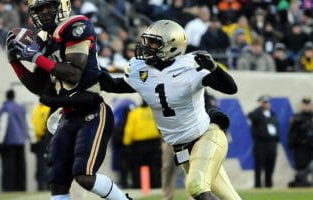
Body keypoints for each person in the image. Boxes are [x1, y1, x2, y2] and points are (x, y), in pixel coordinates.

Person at [98, 19, 242, 200]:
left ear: (172, 46)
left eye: (154, 42)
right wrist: (93, 69)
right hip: (181, 147)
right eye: (146, 41)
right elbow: (114, 85)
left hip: (206, 137)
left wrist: (214, 69)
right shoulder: (140, 70)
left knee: (196, 186)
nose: (147, 46)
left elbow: (231, 88)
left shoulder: (190, 66)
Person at [5, 0, 132, 199]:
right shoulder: (45, 38)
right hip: (66, 115)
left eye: (50, 6)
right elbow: (38, 87)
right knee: (57, 181)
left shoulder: (76, 26)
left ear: (62, 4)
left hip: (92, 111)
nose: (45, 12)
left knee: (84, 176)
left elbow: (73, 74)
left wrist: (36, 57)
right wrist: (15, 62)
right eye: (40, 9)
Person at [0, 89, 28, 191]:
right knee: (20, 166)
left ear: (6, 96)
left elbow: (2, 125)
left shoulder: (5, 108)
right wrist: (31, 139)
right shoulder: (21, 108)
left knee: (8, 167)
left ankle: (8, 188)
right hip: (21, 142)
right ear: (14, 96)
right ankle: (21, 187)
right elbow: (28, 124)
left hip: (8, 142)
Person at [123, 100, 161, 188]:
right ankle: (155, 185)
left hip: (139, 144)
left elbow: (129, 130)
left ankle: (138, 185)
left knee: (137, 167)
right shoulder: (153, 112)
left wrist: (126, 143)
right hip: (154, 142)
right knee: (154, 166)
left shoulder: (134, 113)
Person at [248, 95, 280, 188]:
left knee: (270, 166)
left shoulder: (273, 114)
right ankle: (258, 186)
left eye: (267, 102)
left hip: (272, 144)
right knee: (259, 166)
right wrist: (259, 108)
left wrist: (276, 138)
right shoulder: (257, 114)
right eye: (264, 102)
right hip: (260, 144)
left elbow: (276, 127)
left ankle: (269, 185)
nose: (266, 104)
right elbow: (251, 116)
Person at [288, 97, 313, 187]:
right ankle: (301, 183)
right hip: (301, 148)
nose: (306, 107)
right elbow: (291, 133)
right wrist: (292, 144)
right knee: (301, 168)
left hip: (311, 148)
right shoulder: (297, 118)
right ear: (302, 106)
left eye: (308, 105)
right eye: (305, 105)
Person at [31, 101, 51, 191]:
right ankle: (42, 185)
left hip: (45, 138)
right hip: (39, 140)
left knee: (43, 163)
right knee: (41, 164)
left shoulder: (44, 108)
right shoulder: (39, 109)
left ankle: (45, 185)